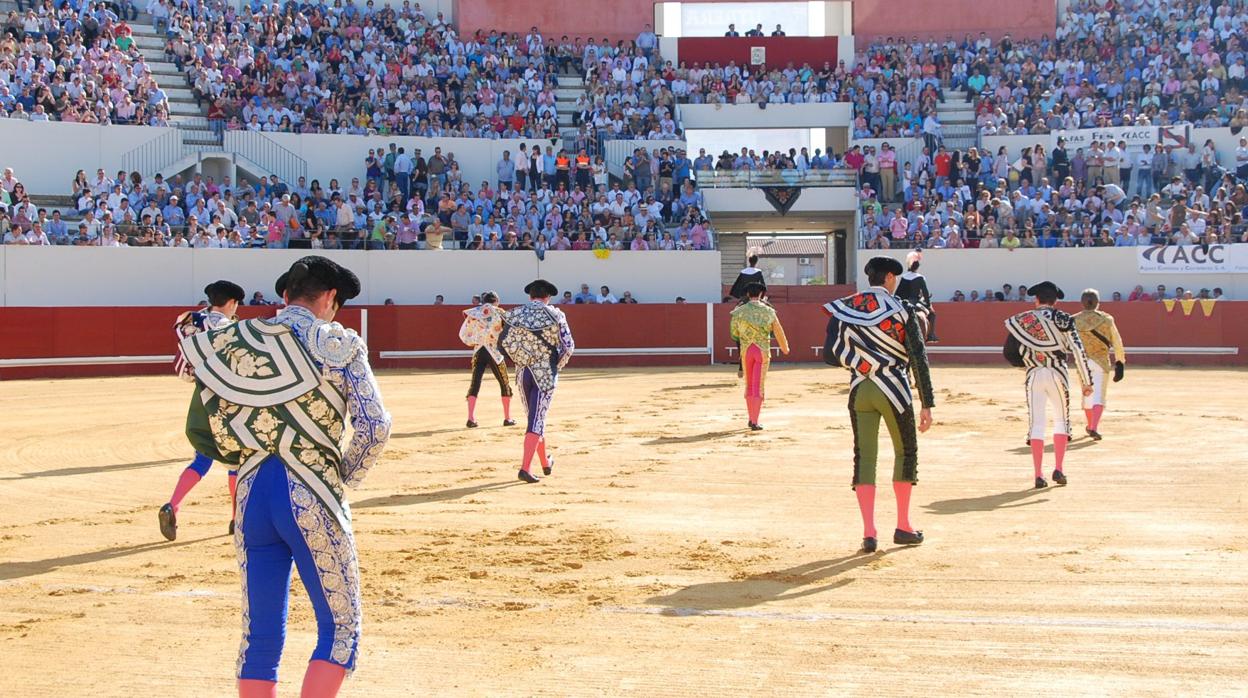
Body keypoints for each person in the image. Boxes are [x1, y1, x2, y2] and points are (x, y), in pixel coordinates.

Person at [179, 256, 391, 697]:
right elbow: (375, 427)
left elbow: (198, 369)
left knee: (259, 639)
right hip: (311, 492)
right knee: (340, 629)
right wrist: (341, 479)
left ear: (285, 295)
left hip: (252, 492)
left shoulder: (238, 338)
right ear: (330, 298)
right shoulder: (339, 343)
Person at [824, 256, 935, 553]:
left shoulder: (845, 308)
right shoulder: (902, 309)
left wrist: (863, 364)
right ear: (888, 278)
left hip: (860, 389)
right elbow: (917, 356)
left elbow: (830, 353)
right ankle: (903, 525)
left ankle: (869, 532)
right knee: (905, 452)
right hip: (894, 389)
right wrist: (926, 402)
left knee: (865, 458)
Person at [159, 280, 246, 541]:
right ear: (231, 303)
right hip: (228, 400)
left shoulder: (191, 323)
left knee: (201, 459)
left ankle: (172, 505)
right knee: (236, 462)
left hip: (201, 397)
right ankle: (236, 518)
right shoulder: (231, 330)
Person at [1003, 281, 1093, 489]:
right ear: (1055, 301)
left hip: (1033, 374)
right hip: (1058, 374)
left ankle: (1038, 474)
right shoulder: (1063, 319)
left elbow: (1009, 351)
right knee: (1062, 420)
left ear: (1036, 300)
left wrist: (1024, 364)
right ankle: (1059, 468)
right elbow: (1078, 350)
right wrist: (1086, 382)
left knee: (1036, 424)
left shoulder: (1023, 320)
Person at [499, 280, 575, 483]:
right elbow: (568, 346)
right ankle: (525, 468)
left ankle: (545, 462)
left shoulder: (515, 314)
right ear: (548, 297)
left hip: (522, 373)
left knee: (535, 418)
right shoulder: (555, 314)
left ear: (530, 296)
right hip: (544, 374)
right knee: (536, 420)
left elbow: (503, 342)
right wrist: (553, 366)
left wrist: (520, 359)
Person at [729, 283, 791, 430]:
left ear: (748, 294)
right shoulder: (769, 311)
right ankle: (755, 421)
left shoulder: (739, 312)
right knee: (758, 386)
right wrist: (785, 348)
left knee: (749, 385)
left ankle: (751, 419)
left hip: (746, 351)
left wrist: (745, 337)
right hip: (762, 350)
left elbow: (734, 333)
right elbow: (778, 331)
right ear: (762, 294)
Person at [1073, 289, 1126, 441]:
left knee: (1087, 394)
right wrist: (1120, 362)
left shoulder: (1074, 320)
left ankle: (1090, 425)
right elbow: (1117, 341)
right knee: (1098, 395)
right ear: (1098, 303)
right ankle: (1094, 427)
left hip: (1082, 363)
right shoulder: (1106, 319)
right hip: (1101, 362)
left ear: (1082, 303)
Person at [459, 291, 515, 428]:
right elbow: (510, 333)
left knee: (475, 383)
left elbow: (463, 334)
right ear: (496, 301)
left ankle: (471, 418)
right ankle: (507, 418)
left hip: (479, 350)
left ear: (483, 301)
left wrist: (474, 341)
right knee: (504, 383)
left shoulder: (475, 313)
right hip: (494, 352)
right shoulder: (501, 313)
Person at [894, 250, 938, 342]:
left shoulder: (904, 276)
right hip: (915, 301)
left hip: (902, 302)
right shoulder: (920, 277)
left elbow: (898, 292)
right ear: (917, 267)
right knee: (933, 314)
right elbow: (925, 293)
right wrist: (929, 305)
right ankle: (931, 336)